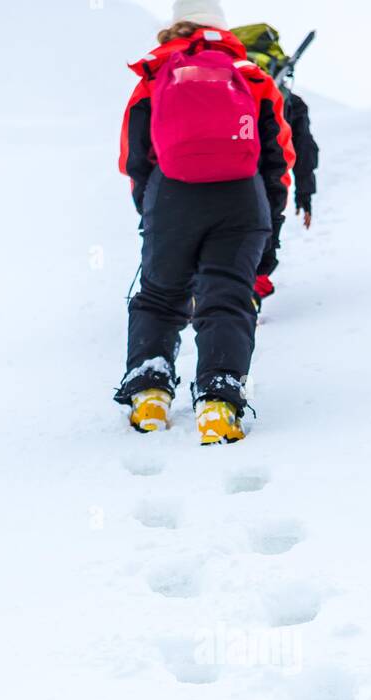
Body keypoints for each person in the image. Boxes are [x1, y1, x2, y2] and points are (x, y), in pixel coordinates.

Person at [115, 4, 295, 444]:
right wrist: (268, 221)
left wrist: (151, 209)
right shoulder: (250, 75)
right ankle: (218, 403)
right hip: (240, 198)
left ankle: (150, 393)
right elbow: (279, 158)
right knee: (228, 296)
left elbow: (134, 157)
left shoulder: (155, 76)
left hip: (173, 195)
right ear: (221, 27)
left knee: (159, 295)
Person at [231, 24, 319, 307]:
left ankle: (211, 290)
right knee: (263, 227)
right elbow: (304, 151)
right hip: (269, 180)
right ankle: (252, 288)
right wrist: (304, 193)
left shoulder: (227, 91)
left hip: (219, 176)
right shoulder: (289, 102)